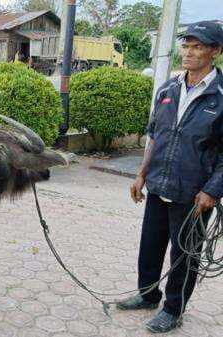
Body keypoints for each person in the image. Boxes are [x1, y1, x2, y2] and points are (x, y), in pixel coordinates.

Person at [119, 21, 223, 333]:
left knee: (183, 256)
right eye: (186, 46)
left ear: (215, 52)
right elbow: (155, 136)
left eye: (197, 46)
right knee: (149, 246)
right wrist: (141, 175)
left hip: (193, 195)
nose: (188, 53)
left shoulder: (220, 96)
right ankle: (148, 295)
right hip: (158, 184)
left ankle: (173, 310)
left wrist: (213, 191)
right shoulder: (167, 89)